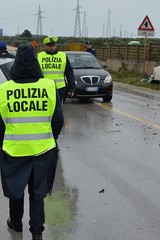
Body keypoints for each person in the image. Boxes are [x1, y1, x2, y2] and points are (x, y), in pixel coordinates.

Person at [0, 43, 64, 240]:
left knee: (16, 190)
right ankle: (37, 231)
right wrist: (50, 138)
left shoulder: (4, 90)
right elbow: (58, 120)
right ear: (36, 62)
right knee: (38, 193)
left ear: (17, 63)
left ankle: (16, 222)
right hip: (43, 150)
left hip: (13, 151)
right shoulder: (49, 86)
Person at [38, 36, 76, 103]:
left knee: (58, 110)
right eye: (50, 46)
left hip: (60, 88)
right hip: (45, 88)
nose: (52, 48)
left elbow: (69, 73)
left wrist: (72, 88)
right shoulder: (40, 56)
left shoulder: (63, 56)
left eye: (53, 45)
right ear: (46, 46)